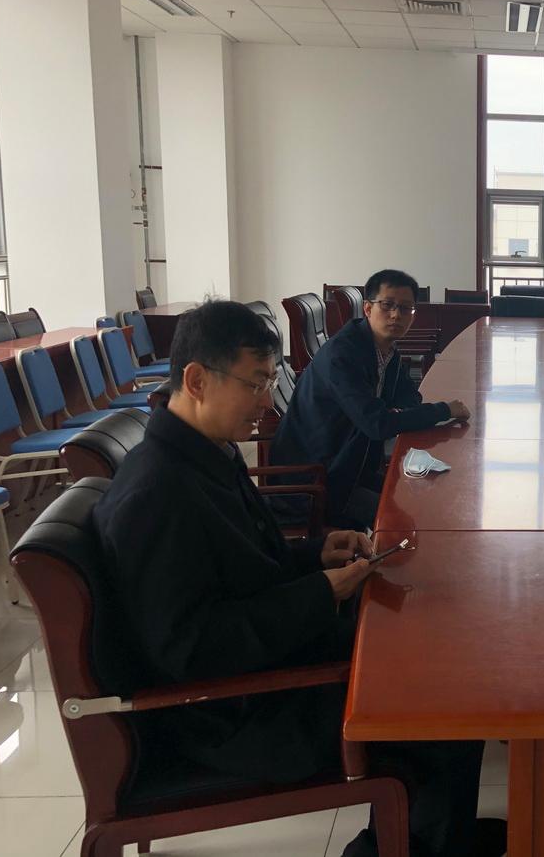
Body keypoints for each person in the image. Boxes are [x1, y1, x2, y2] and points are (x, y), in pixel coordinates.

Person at [92, 300, 503, 857]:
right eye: (256, 384)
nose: (268, 402)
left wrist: (315, 556)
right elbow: (190, 650)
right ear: (196, 380)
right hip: (234, 713)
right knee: (441, 696)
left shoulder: (200, 453)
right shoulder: (157, 495)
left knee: (430, 647)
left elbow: (240, 566)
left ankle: (430, 837)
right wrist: (319, 592)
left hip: (265, 665)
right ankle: (412, 846)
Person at [271, 270, 470, 529]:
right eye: (387, 305)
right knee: (404, 522)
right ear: (367, 308)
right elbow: (377, 425)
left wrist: (393, 415)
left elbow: (409, 397)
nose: (396, 315)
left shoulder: (386, 351)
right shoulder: (343, 355)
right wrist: (444, 410)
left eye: (405, 308)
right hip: (315, 482)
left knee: (424, 497)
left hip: (354, 465)